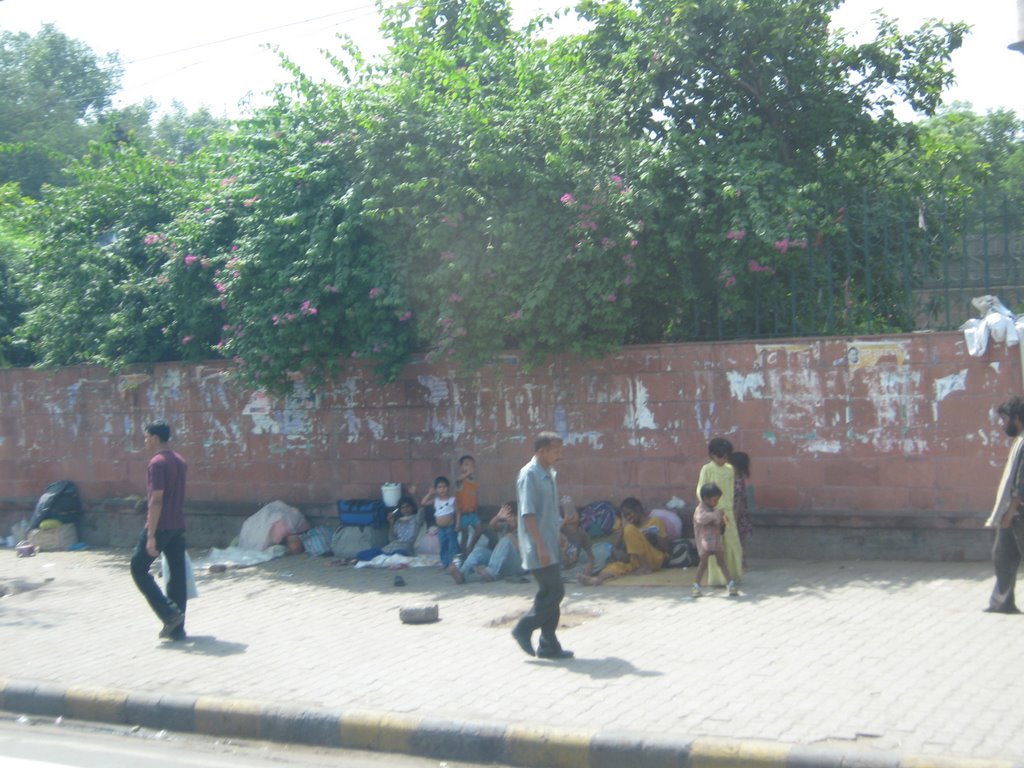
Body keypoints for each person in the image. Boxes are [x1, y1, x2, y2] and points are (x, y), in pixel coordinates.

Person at [511, 431, 573, 659]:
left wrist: (559, 534)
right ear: (541, 452)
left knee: (549, 593)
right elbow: (528, 514)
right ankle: (523, 628)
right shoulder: (530, 475)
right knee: (555, 591)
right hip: (537, 546)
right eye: (555, 450)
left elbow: (550, 512)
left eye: (560, 449)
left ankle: (549, 644)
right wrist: (541, 545)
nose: (559, 454)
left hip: (549, 542)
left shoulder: (550, 473)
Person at [130, 420, 189, 641]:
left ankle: (168, 613)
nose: (145, 441)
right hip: (178, 524)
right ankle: (177, 629)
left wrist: (151, 535)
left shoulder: (157, 463)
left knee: (138, 568)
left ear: (155, 438)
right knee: (176, 575)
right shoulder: (179, 460)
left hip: (161, 525)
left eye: (146, 436)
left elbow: (156, 499)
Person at [985, 396, 1024, 613]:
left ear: (1016, 419)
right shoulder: (1020, 440)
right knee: (1003, 556)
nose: (1002, 424)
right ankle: (1002, 602)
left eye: (1004, 419)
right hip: (1013, 512)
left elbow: (1021, 484)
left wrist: (1008, 514)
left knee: (1005, 555)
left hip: (1018, 512)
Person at [578, 497, 668, 585]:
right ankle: (597, 579)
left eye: (629, 514)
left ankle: (645, 567)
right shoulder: (628, 527)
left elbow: (666, 548)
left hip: (654, 558)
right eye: (625, 517)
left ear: (638, 510)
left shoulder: (655, 521)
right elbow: (614, 549)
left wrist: (653, 538)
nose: (628, 518)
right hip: (635, 562)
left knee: (629, 529)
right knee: (614, 567)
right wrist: (623, 529)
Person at [696, 437, 743, 586]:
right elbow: (700, 490)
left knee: (732, 544)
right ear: (711, 455)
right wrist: (709, 508)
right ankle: (719, 580)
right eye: (720, 456)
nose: (723, 459)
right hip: (713, 514)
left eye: (725, 456)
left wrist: (731, 509)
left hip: (727, 513)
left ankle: (734, 576)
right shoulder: (707, 469)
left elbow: (731, 493)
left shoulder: (730, 470)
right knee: (716, 547)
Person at [448, 502, 525, 583]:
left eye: (513, 516)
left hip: (518, 565)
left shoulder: (524, 529)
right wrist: (498, 517)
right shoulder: (505, 526)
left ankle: (491, 573)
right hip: (501, 564)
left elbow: (524, 551)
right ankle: (462, 574)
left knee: (506, 540)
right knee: (479, 551)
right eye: (509, 516)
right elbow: (492, 525)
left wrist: (511, 537)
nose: (511, 519)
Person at [692, 482, 738, 597]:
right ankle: (696, 585)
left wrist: (723, 521)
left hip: (716, 542)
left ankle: (731, 584)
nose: (716, 502)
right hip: (705, 543)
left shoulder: (714, 509)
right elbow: (702, 519)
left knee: (722, 562)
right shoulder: (700, 509)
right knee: (703, 564)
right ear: (706, 499)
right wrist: (716, 515)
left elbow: (719, 525)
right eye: (715, 500)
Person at [422, 476, 459, 567]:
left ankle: (455, 563)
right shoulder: (436, 500)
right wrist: (430, 494)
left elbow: (458, 512)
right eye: (439, 487)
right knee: (443, 545)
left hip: (450, 527)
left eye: (444, 487)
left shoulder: (452, 500)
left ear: (448, 488)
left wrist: (457, 524)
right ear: (436, 489)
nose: (442, 489)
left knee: (452, 545)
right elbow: (423, 502)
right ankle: (446, 563)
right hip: (441, 528)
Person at [455, 454, 482, 558]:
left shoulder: (474, 482)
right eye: (466, 465)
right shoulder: (461, 481)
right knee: (464, 535)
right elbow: (458, 479)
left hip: (472, 513)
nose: (468, 467)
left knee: (479, 530)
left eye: (471, 465)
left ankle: (470, 547)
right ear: (461, 467)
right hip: (463, 514)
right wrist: (467, 474)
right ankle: (463, 555)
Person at [731, 451, 754, 567]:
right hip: (735, 514)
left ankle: (741, 562)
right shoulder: (733, 479)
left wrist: (735, 516)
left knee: (739, 540)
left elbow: (739, 501)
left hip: (738, 515)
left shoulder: (738, 481)